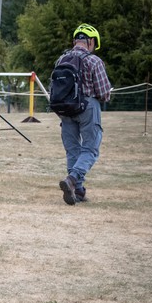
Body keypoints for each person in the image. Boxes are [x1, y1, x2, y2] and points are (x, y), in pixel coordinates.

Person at [56, 23, 112, 205]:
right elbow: (104, 93)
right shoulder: (94, 61)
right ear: (91, 42)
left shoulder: (61, 59)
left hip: (65, 108)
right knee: (90, 149)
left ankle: (78, 191)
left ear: (75, 41)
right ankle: (73, 180)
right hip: (87, 106)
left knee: (73, 149)